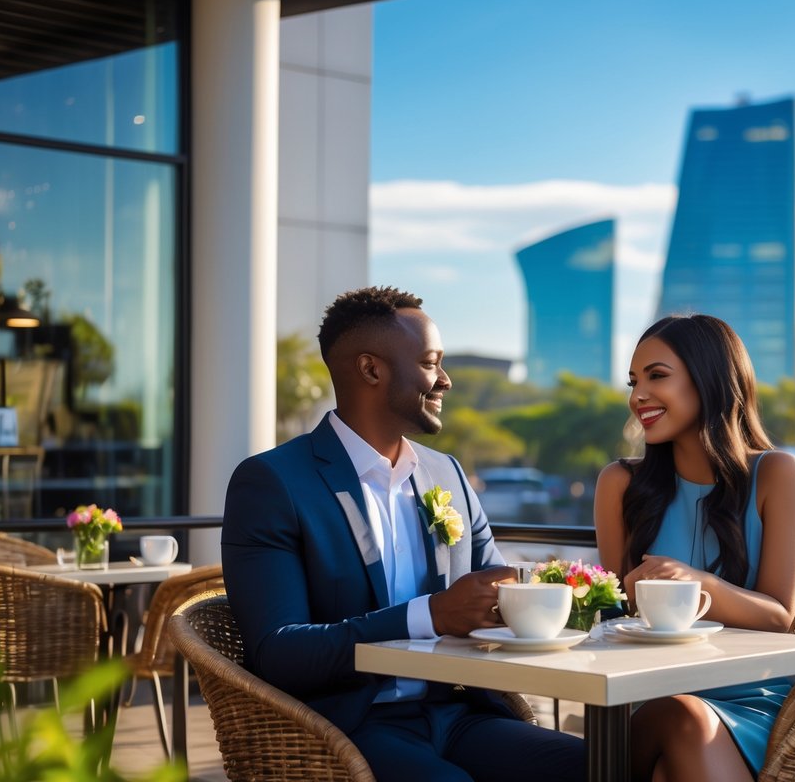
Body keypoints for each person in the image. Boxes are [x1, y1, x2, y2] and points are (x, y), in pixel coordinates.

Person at [222, 286, 586, 782]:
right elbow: (279, 652)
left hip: (462, 713)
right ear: (372, 370)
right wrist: (430, 615)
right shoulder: (273, 483)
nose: (446, 381)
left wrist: (567, 596)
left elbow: (497, 593)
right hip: (350, 726)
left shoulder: (448, 474)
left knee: (598, 764)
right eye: (432, 362)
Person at [594, 314, 795, 782]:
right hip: (652, 694)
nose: (638, 396)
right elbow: (609, 618)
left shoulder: (779, 475)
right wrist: (624, 600)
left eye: (657, 376)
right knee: (682, 717)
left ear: (709, 378)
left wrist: (697, 582)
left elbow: (778, 615)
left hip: (755, 702)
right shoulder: (619, 484)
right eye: (633, 381)